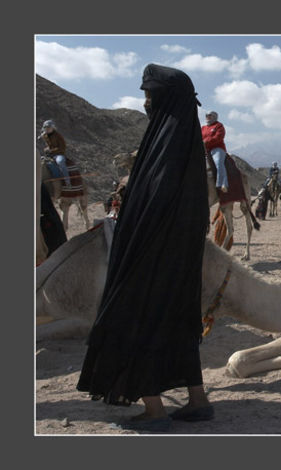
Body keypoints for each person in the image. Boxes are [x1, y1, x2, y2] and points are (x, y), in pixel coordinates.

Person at [77, 64, 213, 433]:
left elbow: (152, 206)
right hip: (180, 262)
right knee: (178, 323)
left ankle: (154, 409)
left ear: (165, 99)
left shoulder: (166, 147)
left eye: (150, 95)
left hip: (151, 258)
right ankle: (198, 400)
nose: (146, 103)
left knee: (134, 317)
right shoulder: (184, 144)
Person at [40, 120, 71, 189]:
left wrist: (51, 150)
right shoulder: (45, 136)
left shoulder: (58, 136)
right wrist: (47, 149)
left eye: (48, 127)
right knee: (43, 162)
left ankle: (67, 181)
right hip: (50, 155)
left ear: (52, 128)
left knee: (60, 162)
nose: (47, 129)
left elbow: (62, 147)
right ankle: (56, 179)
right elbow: (49, 145)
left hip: (59, 154)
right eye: (45, 128)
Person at [202, 111, 228, 193]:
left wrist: (205, 141)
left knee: (218, 162)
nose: (207, 117)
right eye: (206, 116)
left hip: (217, 148)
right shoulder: (203, 128)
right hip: (205, 150)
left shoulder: (219, 126)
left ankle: (222, 184)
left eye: (209, 115)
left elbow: (219, 137)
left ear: (214, 117)